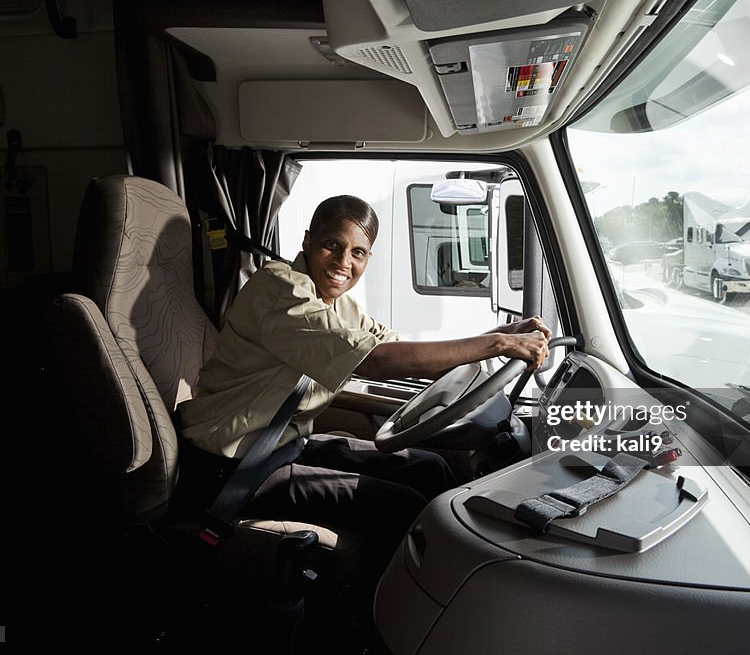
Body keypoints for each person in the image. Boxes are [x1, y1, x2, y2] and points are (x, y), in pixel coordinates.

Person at [176, 194, 550, 606]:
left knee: (428, 467)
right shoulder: (280, 291)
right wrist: (498, 343)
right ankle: (381, 616)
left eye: (358, 252)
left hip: (279, 447)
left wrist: (498, 336)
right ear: (306, 241)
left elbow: (403, 352)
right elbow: (374, 361)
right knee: (403, 506)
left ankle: (437, 600)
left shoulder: (337, 304)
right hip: (231, 465)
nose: (343, 262)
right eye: (331, 245)